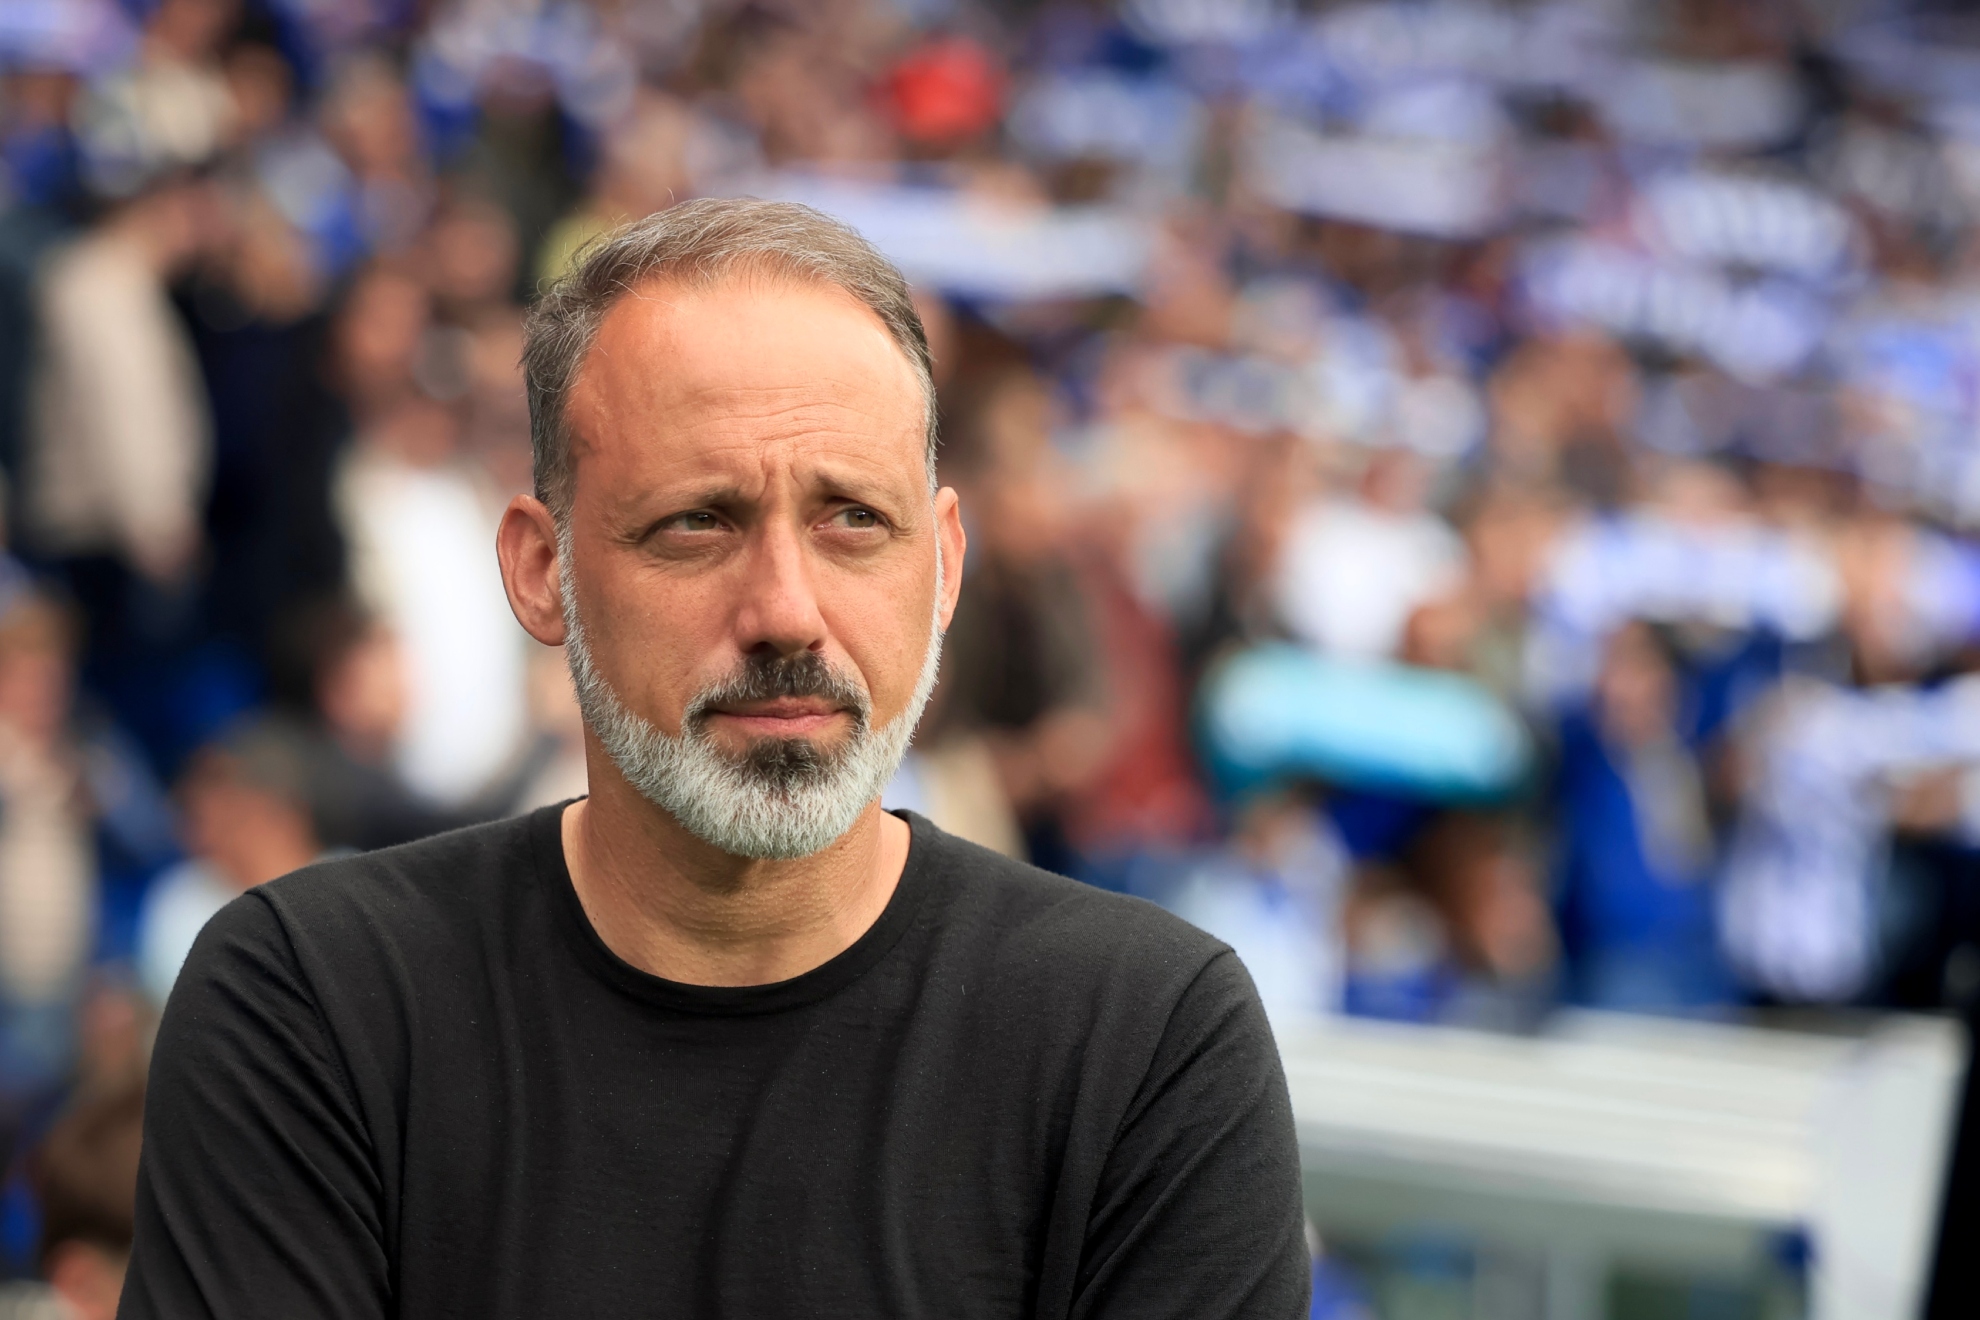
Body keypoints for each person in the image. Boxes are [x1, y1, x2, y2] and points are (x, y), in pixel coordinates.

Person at [121, 198, 1308, 1318]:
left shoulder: (1146, 1041)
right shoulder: (314, 1003)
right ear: (542, 570)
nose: (787, 610)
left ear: (943, 568)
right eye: (698, 522)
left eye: (854, 520)